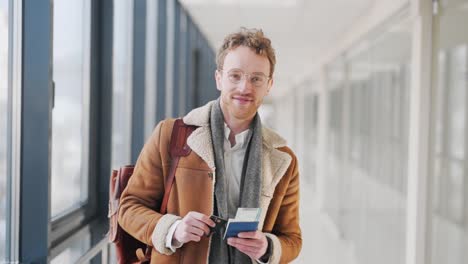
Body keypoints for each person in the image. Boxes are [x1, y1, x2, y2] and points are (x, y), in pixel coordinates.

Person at [119, 28, 302, 264]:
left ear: (269, 85)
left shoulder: (284, 159)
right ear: (219, 78)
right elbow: (129, 208)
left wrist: (268, 247)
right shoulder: (170, 134)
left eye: (256, 78)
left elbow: (292, 239)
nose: (245, 88)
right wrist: (174, 229)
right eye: (235, 75)